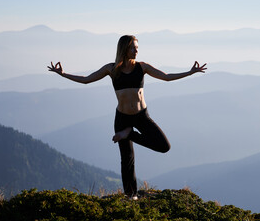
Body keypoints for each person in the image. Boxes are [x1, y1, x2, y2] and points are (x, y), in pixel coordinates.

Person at [48, 35, 206, 199]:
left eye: (137, 47)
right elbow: (86, 80)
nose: (136, 51)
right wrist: (63, 74)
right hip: (122, 118)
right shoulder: (111, 69)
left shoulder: (142, 67)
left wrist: (190, 72)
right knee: (127, 159)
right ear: (124, 49)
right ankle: (131, 196)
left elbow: (166, 77)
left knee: (164, 146)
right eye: (133, 48)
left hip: (141, 116)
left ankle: (129, 133)